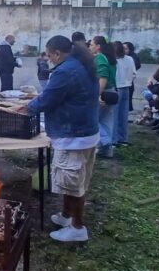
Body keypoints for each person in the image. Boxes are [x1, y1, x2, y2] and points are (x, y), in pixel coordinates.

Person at [14, 36, 99, 242]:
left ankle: (77, 228)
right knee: (76, 181)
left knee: (73, 183)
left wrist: (25, 109)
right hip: (84, 132)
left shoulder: (66, 71)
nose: (49, 59)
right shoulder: (80, 65)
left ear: (57, 53)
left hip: (74, 136)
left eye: (49, 55)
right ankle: (66, 216)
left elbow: (48, 99)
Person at [92, 36, 117, 158]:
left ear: (98, 46)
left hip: (103, 91)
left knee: (93, 119)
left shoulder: (100, 57)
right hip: (111, 92)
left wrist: (97, 95)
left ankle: (105, 142)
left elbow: (103, 77)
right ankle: (107, 149)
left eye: (92, 44)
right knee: (106, 121)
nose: (90, 47)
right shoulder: (110, 58)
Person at [113, 41, 137, 147]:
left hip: (116, 87)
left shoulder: (113, 60)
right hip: (127, 87)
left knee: (113, 115)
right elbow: (134, 73)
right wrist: (128, 80)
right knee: (123, 114)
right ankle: (122, 138)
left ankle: (113, 139)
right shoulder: (129, 59)